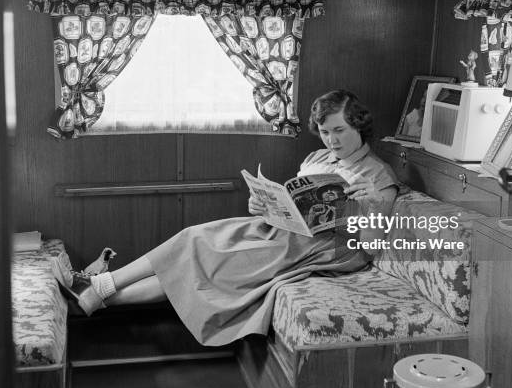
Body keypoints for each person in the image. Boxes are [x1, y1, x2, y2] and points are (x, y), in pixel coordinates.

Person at [52, 89, 399, 346]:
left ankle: (98, 289)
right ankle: (96, 295)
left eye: (339, 130)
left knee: (203, 259)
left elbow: (370, 245)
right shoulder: (317, 159)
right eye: (325, 132)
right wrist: (266, 207)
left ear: (359, 126)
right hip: (285, 232)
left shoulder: (379, 175)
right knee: (194, 237)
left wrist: (371, 207)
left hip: (330, 248)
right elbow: (299, 207)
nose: (332, 139)